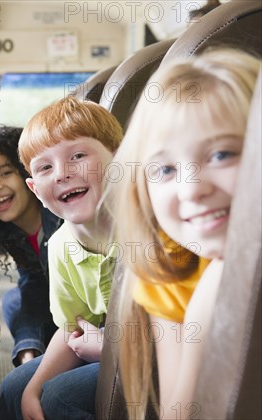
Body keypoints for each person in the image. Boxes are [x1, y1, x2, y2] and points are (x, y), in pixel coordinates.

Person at [108, 49, 260, 420]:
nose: (191, 190)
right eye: (164, 170)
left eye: (222, 154)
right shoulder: (170, 269)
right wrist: (210, 304)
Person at [0, 97, 124, 420]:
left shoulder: (141, 229)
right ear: (35, 189)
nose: (62, 174)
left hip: (151, 352)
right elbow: (72, 330)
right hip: (100, 344)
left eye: (78, 155)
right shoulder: (60, 247)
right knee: (15, 388)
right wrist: (32, 388)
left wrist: (110, 349)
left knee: (60, 398)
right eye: (45, 168)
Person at [0, 126, 61, 366]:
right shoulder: (11, 232)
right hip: (62, 312)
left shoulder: (61, 216)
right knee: (16, 300)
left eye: (5, 173)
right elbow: (35, 286)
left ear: (27, 172)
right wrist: (28, 348)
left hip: (94, 325)